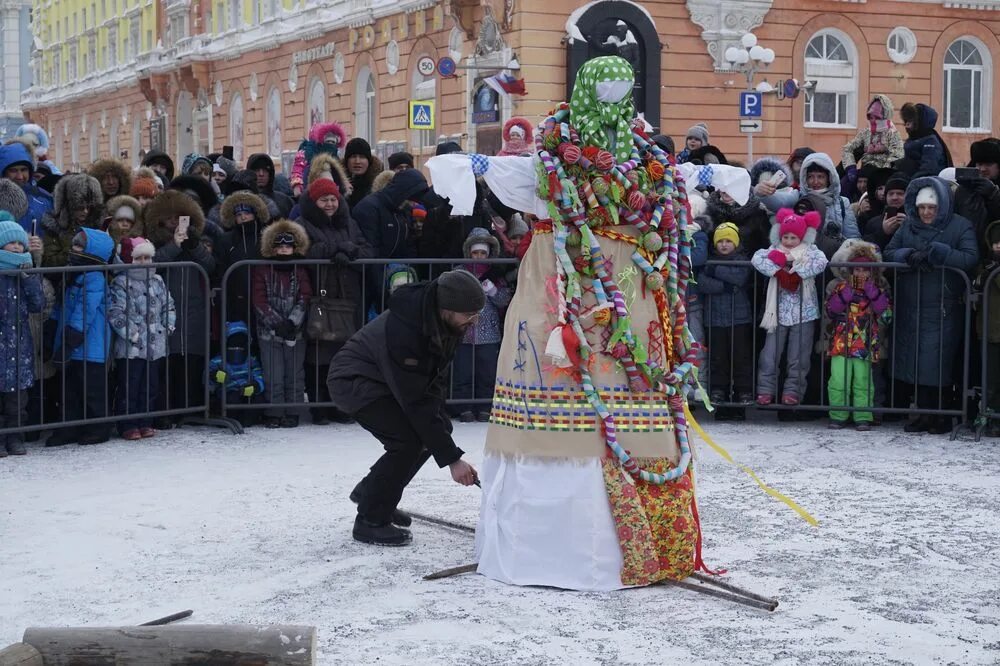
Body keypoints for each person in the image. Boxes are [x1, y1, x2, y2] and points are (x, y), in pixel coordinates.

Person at [327, 269, 484, 546]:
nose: (474, 321)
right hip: (354, 381)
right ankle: (370, 520)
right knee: (409, 441)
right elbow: (415, 401)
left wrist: (443, 439)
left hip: (384, 381)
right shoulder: (408, 330)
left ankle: (373, 493)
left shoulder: (446, 322)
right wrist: (452, 460)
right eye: (469, 315)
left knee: (436, 430)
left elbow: (432, 382)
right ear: (446, 309)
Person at [884, 178, 979, 434]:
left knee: (937, 361)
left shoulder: (960, 226)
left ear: (942, 206)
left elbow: (970, 257)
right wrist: (907, 256)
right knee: (914, 360)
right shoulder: (908, 228)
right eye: (923, 207)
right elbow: (889, 252)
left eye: (932, 208)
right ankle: (924, 414)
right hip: (911, 304)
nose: (926, 212)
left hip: (943, 306)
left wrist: (941, 252)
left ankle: (941, 414)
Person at [133, 190, 216, 427]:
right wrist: (174, 246)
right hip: (162, 314)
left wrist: (193, 246)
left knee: (190, 363)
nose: (174, 222)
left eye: (179, 217)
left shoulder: (196, 241)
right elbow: (152, 265)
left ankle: (191, 409)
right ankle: (164, 411)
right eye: (170, 218)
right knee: (164, 365)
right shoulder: (153, 243)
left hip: (193, 313)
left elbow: (210, 266)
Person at [297, 176, 373, 425]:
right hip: (320, 294)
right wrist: (336, 249)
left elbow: (367, 251)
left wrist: (350, 250)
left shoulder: (349, 223)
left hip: (348, 294)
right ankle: (319, 405)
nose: (329, 204)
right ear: (314, 202)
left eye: (333, 199)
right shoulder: (303, 222)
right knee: (319, 352)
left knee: (345, 354)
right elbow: (305, 250)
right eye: (323, 200)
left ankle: (341, 405)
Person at [752, 208, 828, 406]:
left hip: (805, 312)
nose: (788, 241)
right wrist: (779, 272)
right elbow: (757, 258)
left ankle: (793, 391)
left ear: (802, 237)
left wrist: (797, 273)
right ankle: (765, 389)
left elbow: (822, 262)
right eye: (785, 236)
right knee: (769, 354)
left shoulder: (810, 251)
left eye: (793, 237)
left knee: (798, 357)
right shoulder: (774, 250)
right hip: (776, 312)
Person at [47, 228, 115, 446]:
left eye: (78, 246)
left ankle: (98, 427)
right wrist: (52, 335)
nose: (73, 250)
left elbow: (85, 310)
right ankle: (69, 427)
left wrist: (70, 339)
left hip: (88, 346)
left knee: (92, 390)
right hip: (70, 343)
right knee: (69, 390)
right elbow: (62, 305)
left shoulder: (94, 277)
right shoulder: (73, 273)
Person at [108, 237, 176, 440]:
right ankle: (127, 423)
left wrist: (168, 326)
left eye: (148, 257)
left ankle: (146, 420)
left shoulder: (157, 281)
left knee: (151, 385)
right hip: (132, 346)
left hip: (155, 343)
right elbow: (116, 312)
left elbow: (168, 304)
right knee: (130, 385)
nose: (145, 262)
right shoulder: (121, 282)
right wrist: (133, 334)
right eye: (139, 258)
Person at [825, 240, 893, 431]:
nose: (861, 274)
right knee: (838, 380)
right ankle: (838, 415)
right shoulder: (841, 288)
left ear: (872, 272)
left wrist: (874, 295)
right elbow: (831, 310)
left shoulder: (877, 290)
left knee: (863, 382)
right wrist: (846, 294)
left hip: (864, 344)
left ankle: (862, 415)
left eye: (865, 270)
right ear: (851, 271)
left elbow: (886, 315)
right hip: (841, 343)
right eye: (857, 270)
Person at [253, 219, 313, 428]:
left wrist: (292, 322)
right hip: (269, 332)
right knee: (273, 373)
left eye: (288, 246)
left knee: (295, 373)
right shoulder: (262, 270)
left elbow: (305, 297)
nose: (284, 250)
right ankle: (274, 411)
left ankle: (293, 410)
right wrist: (277, 323)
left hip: (295, 332)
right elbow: (259, 300)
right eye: (280, 246)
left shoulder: (300, 270)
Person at [452, 228, 511, 422]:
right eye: (475, 252)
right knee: (463, 371)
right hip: (464, 332)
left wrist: (493, 291)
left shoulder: (495, 274)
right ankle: (464, 408)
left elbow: (504, 300)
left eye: (482, 253)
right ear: (469, 252)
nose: (478, 256)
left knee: (487, 372)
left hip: (489, 333)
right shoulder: (459, 272)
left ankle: (486, 406)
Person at [0, 214, 45, 456]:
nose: (17, 247)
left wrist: (29, 279)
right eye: (12, 243)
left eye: (20, 243)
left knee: (18, 400)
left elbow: (38, 304)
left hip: (19, 348)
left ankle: (14, 437)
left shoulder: (26, 273)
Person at [700, 222, 754, 418]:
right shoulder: (709, 261)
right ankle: (718, 389)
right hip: (714, 318)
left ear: (735, 243)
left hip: (739, 317)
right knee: (718, 357)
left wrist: (715, 271)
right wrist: (724, 286)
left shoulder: (741, 260)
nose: (724, 245)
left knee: (741, 356)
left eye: (728, 241)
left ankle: (743, 390)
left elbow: (739, 276)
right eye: (720, 241)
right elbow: (703, 283)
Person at [215, 191, 271, 325]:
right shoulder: (226, 240)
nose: (243, 217)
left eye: (247, 213)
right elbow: (220, 268)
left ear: (255, 214)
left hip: (264, 298)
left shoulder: (266, 237)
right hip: (235, 297)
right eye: (239, 215)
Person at [798, 152, 860, 258]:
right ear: (805, 179)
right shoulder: (800, 201)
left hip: (836, 259)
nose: (815, 181)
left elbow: (852, 236)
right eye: (810, 177)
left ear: (829, 178)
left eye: (820, 176)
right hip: (805, 261)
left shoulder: (842, 202)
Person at [841, 95, 904, 192]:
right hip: (864, 172)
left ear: (885, 116)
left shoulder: (892, 133)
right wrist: (851, 167)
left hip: (882, 174)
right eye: (870, 117)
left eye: (877, 117)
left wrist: (882, 171)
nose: (873, 120)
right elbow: (848, 148)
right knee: (844, 184)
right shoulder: (866, 132)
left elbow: (897, 155)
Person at [41, 174, 104, 271]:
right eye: (80, 207)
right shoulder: (54, 228)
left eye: (89, 207)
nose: (85, 211)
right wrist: (71, 252)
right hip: (64, 282)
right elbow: (48, 262)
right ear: (69, 206)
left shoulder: (98, 226)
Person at [974, 221, 1000, 436]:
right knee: (989, 378)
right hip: (989, 330)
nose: (998, 246)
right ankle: (989, 416)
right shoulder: (984, 266)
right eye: (996, 243)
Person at [0, 141, 54, 236]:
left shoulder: (44, 198)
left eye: (24, 170)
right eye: (13, 171)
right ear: (3, 172)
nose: (20, 176)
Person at [290, 121, 347, 196]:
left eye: (333, 142)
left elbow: (340, 173)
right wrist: (297, 186)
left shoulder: (335, 156)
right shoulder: (306, 152)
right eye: (328, 141)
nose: (330, 144)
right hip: (308, 191)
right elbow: (297, 170)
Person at [897, 103, 952, 178]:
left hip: (924, 183)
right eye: (906, 120)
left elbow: (928, 169)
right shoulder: (912, 139)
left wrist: (909, 181)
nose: (907, 125)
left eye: (910, 120)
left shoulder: (930, 141)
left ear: (919, 121)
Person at [247, 153, 294, 218]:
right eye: (257, 170)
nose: (261, 174)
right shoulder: (244, 201)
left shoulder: (284, 201)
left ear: (270, 173)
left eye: (265, 170)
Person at [343, 138, 384, 209]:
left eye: (362, 157)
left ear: (369, 161)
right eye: (353, 156)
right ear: (347, 161)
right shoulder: (338, 185)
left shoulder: (380, 187)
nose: (357, 161)